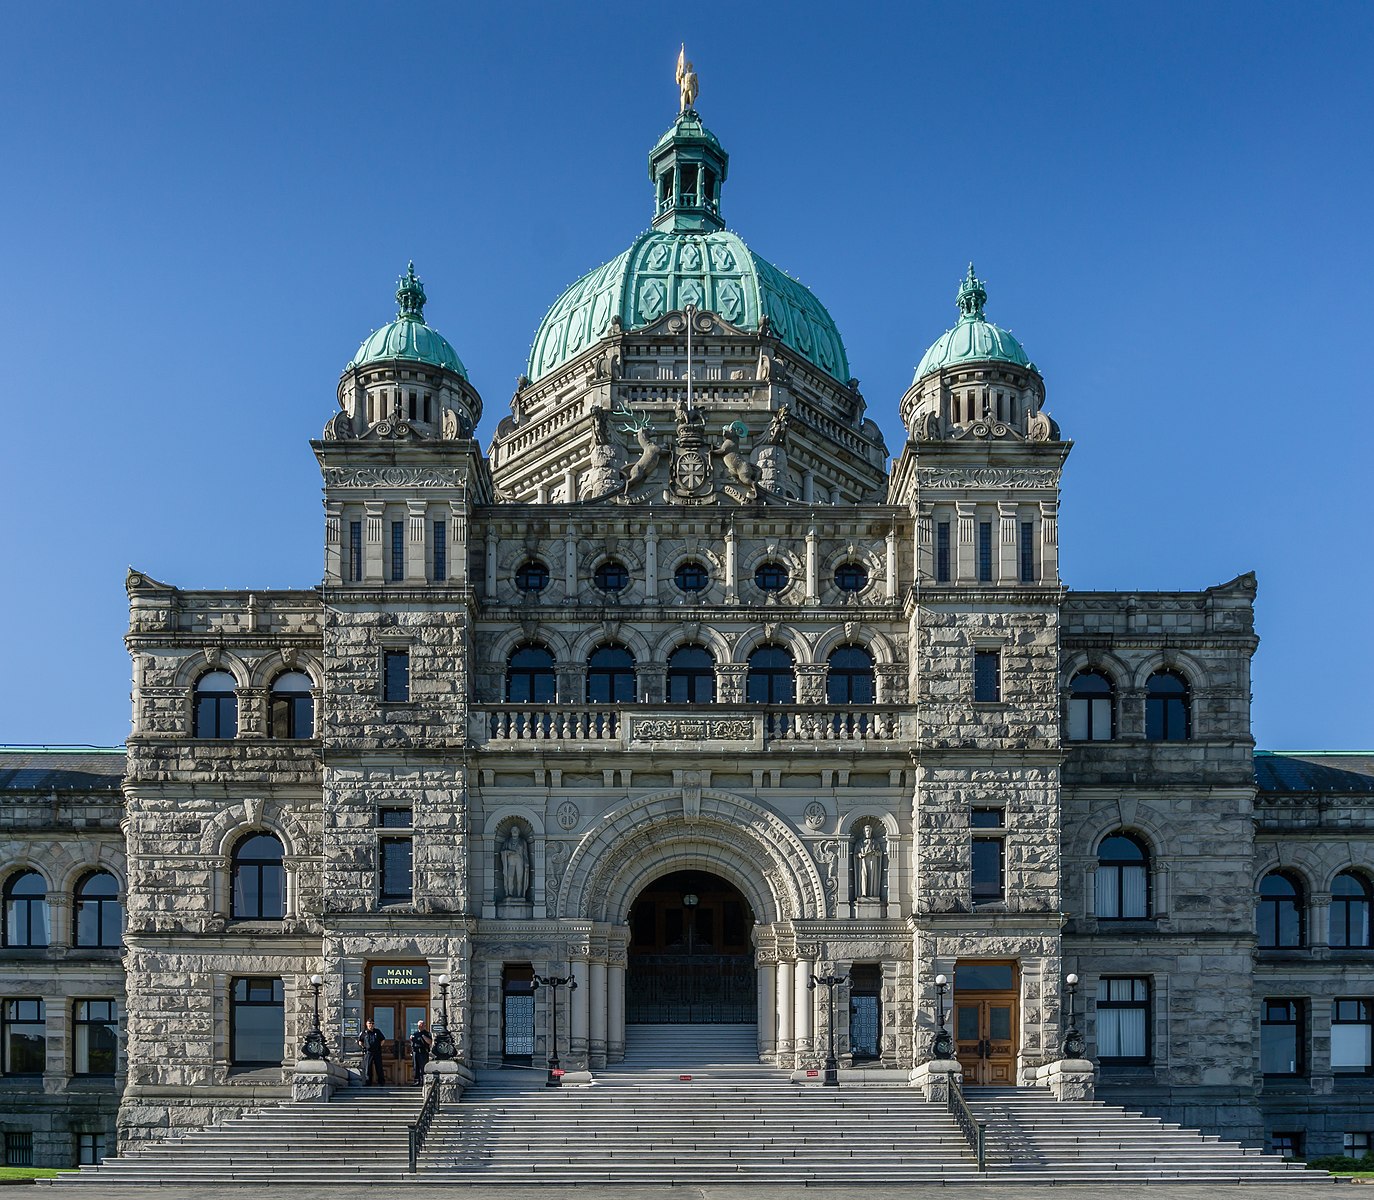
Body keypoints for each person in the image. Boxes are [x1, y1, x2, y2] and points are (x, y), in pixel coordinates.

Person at [357, 1018, 386, 1086]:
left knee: (379, 1067)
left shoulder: (377, 1031)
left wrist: (379, 1046)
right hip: (368, 1052)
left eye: (372, 1023)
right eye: (369, 1023)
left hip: (377, 1052)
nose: (371, 1025)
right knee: (368, 1067)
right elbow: (360, 1041)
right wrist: (364, 1047)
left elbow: (383, 1040)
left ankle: (381, 1082)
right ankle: (368, 1082)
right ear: (367, 1024)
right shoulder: (364, 1032)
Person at [409, 1019, 434, 1086]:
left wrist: (424, 1037)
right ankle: (416, 1081)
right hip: (415, 1052)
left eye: (422, 1025)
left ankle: (423, 1081)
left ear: (424, 1026)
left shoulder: (427, 1033)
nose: (420, 1026)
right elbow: (412, 1043)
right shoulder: (415, 1033)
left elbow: (430, 1042)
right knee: (415, 1067)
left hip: (423, 1052)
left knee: (423, 1067)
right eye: (419, 1025)